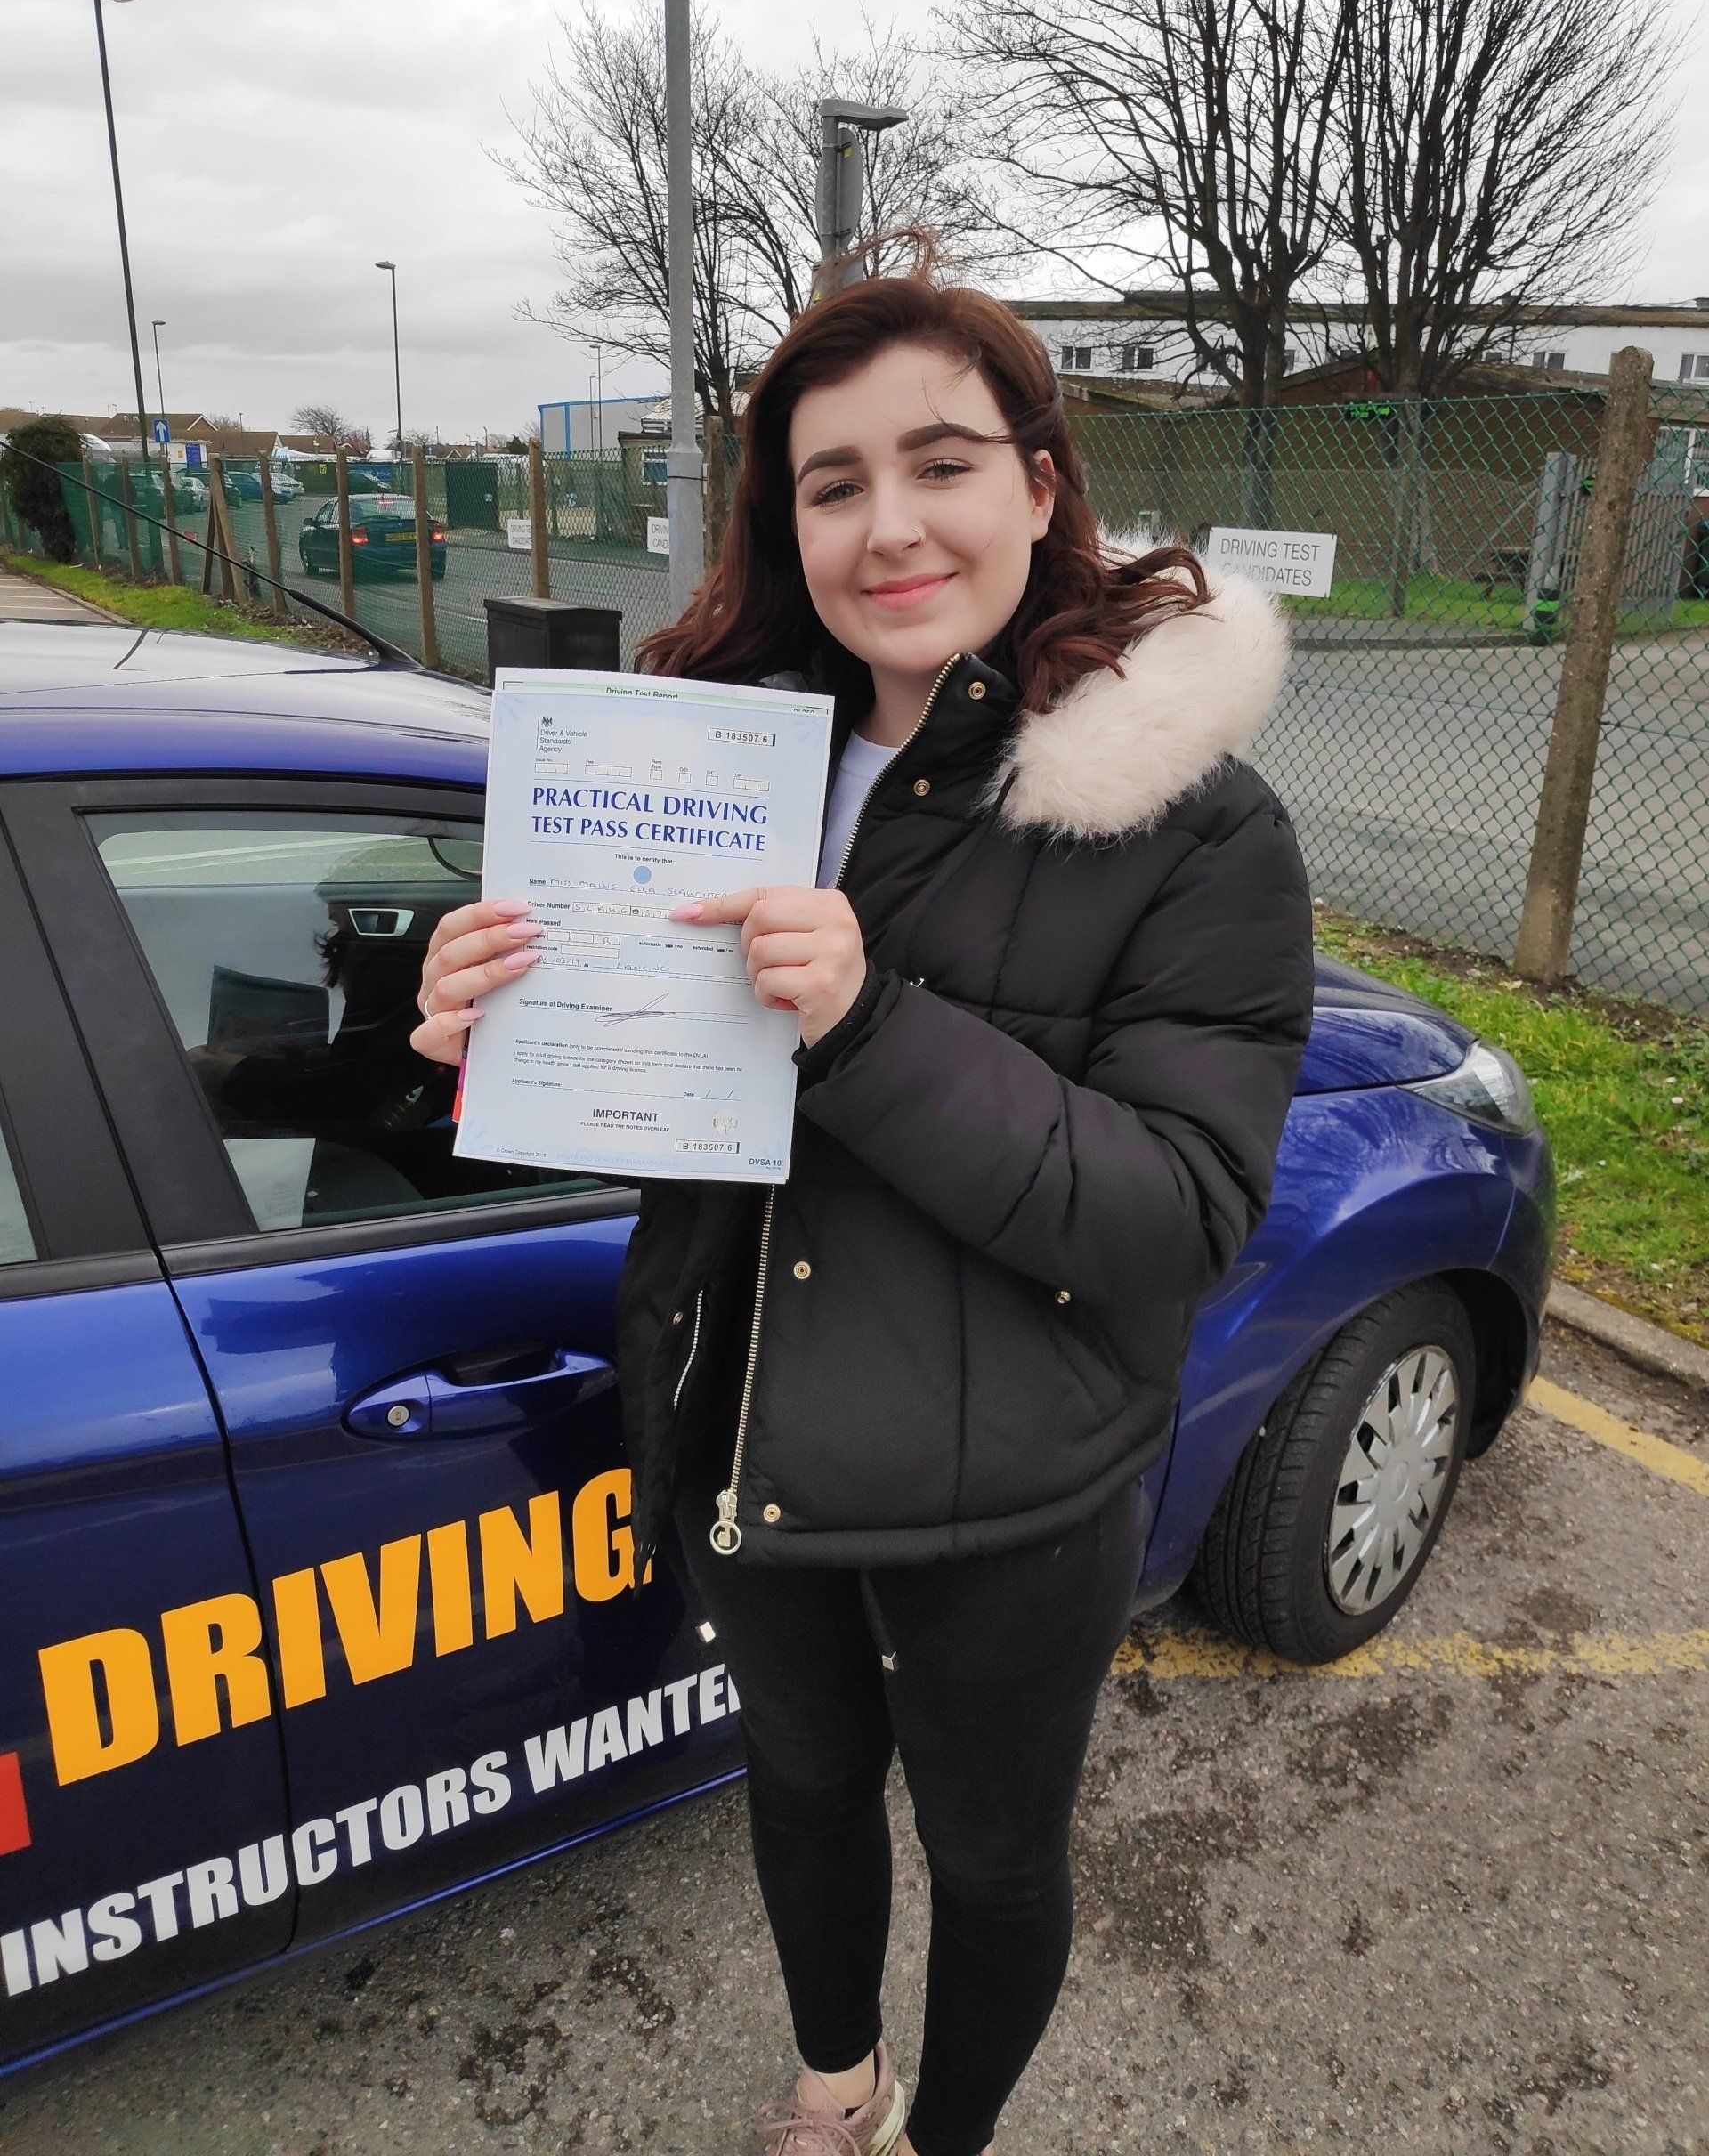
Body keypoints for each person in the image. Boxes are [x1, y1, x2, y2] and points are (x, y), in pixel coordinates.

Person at [411, 236, 1315, 2156]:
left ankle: (946, 2138)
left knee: (991, 1859)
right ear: (786, 524)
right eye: (833, 484)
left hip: (1007, 1494)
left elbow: (1178, 1211)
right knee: (804, 1788)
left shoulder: (1188, 818)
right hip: (747, 1425)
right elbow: (700, 1134)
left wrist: (868, 1022)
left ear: (1041, 486)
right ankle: (840, 2082)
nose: (889, 525)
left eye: (942, 463)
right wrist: (505, 1035)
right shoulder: (727, 754)